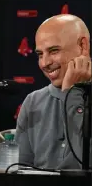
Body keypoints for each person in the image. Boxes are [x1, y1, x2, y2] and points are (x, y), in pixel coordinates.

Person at [15, 14, 91, 169]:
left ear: (83, 46)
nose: (45, 63)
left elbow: (83, 166)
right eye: (40, 54)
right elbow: (20, 172)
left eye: (54, 51)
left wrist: (72, 93)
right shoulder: (33, 102)